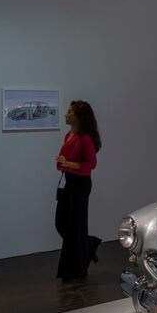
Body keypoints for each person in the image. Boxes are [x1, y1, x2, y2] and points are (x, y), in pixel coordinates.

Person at [55, 100, 102, 283]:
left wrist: (68, 164)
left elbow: (91, 164)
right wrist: (62, 162)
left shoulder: (86, 139)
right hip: (70, 182)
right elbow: (65, 158)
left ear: (78, 116)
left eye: (69, 112)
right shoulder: (69, 135)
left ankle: (75, 268)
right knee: (62, 223)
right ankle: (87, 245)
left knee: (75, 225)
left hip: (81, 185)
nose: (66, 114)